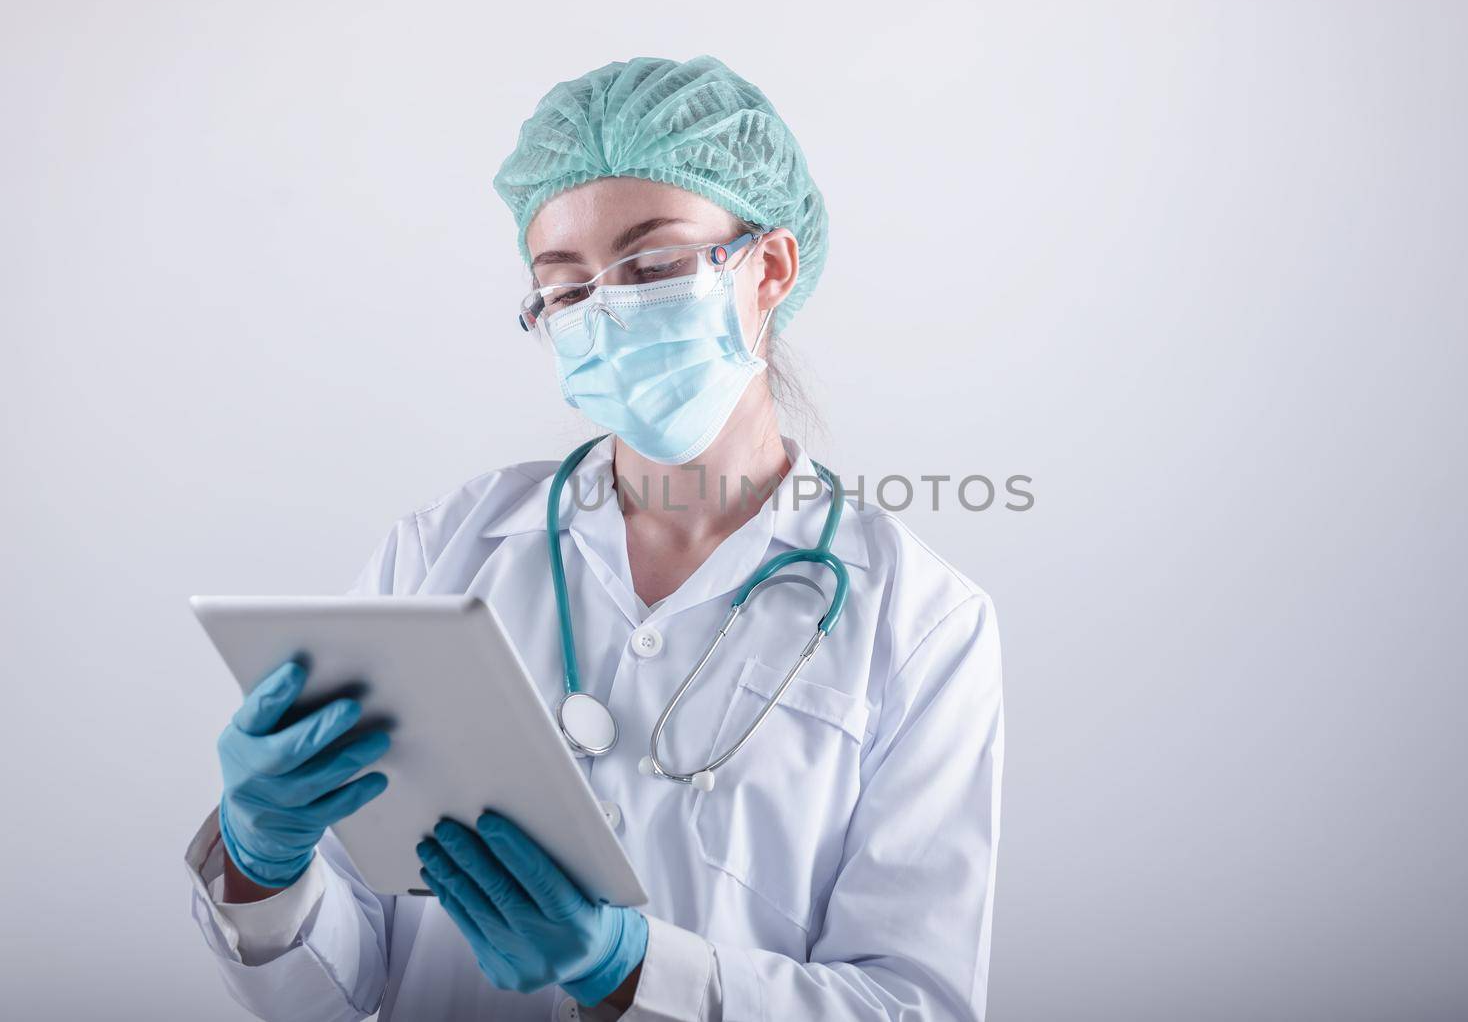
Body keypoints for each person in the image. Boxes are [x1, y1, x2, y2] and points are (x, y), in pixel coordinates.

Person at [183, 53, 1005, 1022]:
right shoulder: (443, 552)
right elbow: (331, 989)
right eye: (565, 290)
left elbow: (914, 1004)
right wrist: (259, 864)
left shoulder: (920, 622)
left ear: (769, 268)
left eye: (652, 266)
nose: (606, 311)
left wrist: (630, 972)